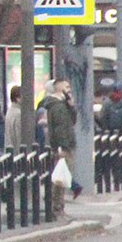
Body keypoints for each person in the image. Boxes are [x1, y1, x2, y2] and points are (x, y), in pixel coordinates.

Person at [40, 79, 80, 207]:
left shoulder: (63, 105)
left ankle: (58, 203)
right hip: (63, 147)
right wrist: (63, 147)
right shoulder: (58, 106)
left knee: (62, 176)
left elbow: (72, 121)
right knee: (60, 178)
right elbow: (60, 128)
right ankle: (56, 206)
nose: (69, 89)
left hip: (64, 145)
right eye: (67, 86)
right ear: (58, 88)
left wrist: (71, 106)